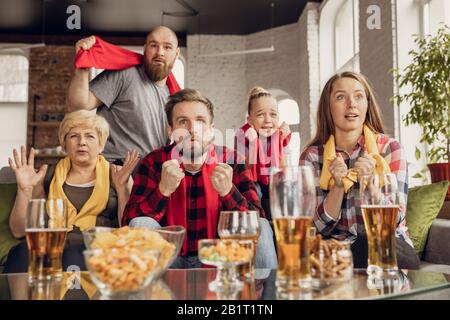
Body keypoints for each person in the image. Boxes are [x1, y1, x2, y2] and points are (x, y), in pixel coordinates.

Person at [122, 88, 278, 269]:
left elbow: (257, 218)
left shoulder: (232, 160)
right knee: (141, 223)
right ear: (170, 130)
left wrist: (228, 193)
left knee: (261, 226)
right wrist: (163, 190)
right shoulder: (154, 162)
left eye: (200, 121)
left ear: (211, 130)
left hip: (220, 257)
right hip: (168, 259)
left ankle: (268, 294)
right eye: (182, 122)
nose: (192, 129)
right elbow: (130, 222)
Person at [299, 71, 420, 269]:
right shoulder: (312, 156)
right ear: (328, 108)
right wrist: (337, 187)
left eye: (358, 96)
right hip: (338, 252)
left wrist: (372, 186)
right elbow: (316, 227)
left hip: (388, 245)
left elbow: (395, 220)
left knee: (368, 243)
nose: (351, 104)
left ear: (367, 104)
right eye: (340, 97)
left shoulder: (390, 149)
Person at [3, 110, 139, 273]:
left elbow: (129, 230)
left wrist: (123, 188)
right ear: (64, 144)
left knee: (72, 257)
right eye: (74, 136)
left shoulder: (118, 173)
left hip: (100, 249)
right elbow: (18, 230)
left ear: (101, 144)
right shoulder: (47, 176)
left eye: (90, 136)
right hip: (53, 247)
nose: (81, 142)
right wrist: (24, 190)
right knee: (20, 253)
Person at [66, 26, 181, 164]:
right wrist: (82, 65)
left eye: (167, 47)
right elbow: (78, 106)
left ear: (177, 53)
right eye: (154, 45)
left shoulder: (174, 96)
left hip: (151, 172)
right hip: (115, 168)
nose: (160, 52)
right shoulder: (125, 74)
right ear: (145, 49)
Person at [235, 86, 292, 220]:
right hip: (253, 182)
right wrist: (254, 143)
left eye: (273, 114)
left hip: (273, 181)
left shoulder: (280, 135)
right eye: (260, 115)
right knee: (256, 192)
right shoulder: (243, 135)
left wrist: (282, 141)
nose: (267, 120)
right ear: (249, 120)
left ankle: (279, 224)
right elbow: (245, 173)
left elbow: (284, 171)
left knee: (282, 193)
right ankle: (261, 220)